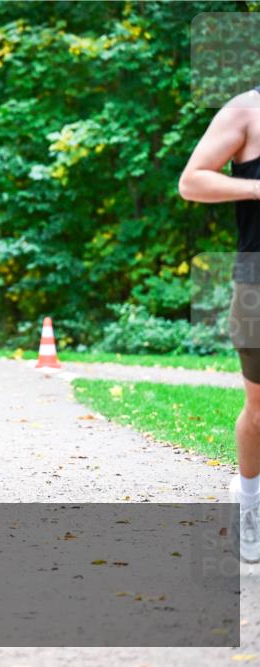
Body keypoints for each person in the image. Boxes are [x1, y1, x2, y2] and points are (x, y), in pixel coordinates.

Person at [179, 86, 260, 561]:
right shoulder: (247, 110)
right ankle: (250, 503)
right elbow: (192, 182)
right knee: (259, 407)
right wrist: (256, 188)